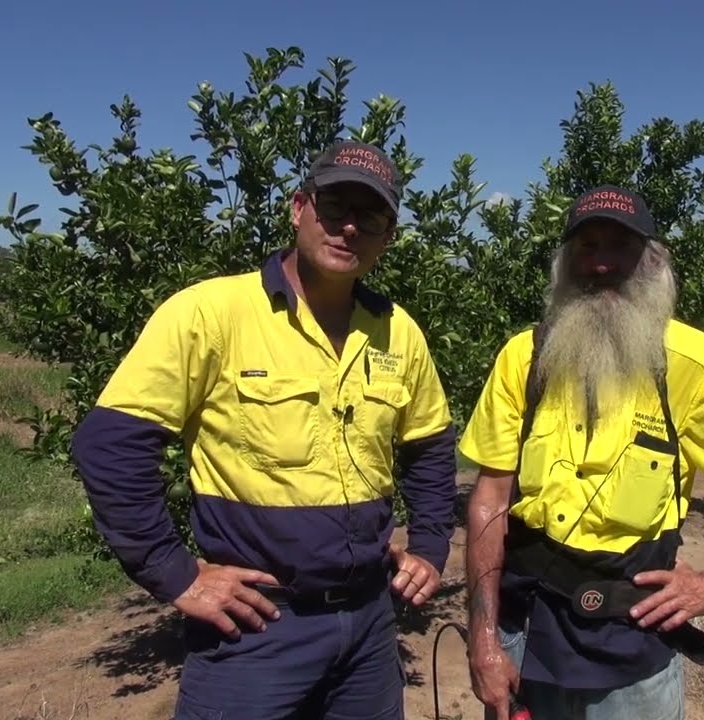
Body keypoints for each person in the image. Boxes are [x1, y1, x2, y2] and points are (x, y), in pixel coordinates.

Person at [70, 139, 459, 720]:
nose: (348, 227)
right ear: (299, 207)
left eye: (369, 215)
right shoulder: (211, 313)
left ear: (389, 235)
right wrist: (175, 574)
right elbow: (110, 445)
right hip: (258, 629)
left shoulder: (398, 331)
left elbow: (429, 446)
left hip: (371, 627)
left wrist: (428, 545)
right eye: (334, 208)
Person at [460, 185, 704, 719]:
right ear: (563, 263)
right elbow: (489, 501)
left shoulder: (692, 366)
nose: (601, 264)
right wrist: (483, 637)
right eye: (586, 246)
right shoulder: (525, 359)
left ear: (651, 262)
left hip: (631, 652)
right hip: (524, 635)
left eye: (619, 248)